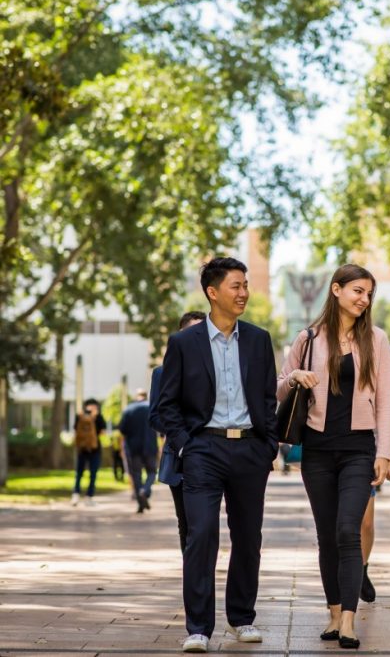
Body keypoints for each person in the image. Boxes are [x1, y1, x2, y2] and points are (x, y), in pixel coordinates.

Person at [159, 257, 278, 654]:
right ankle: (198, 628)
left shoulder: (259, 340)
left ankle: (242, 618)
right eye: (236, 286)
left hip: (249, 449)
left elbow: (267, 397)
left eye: (246, 285)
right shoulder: (183, 344)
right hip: (202, 450)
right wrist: (184, 446)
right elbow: (165, 405)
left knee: (248, 537)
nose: (244, 293)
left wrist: (268, 445)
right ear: (213, 293)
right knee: (202, 533)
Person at [277, 264, 390, 650]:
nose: (364, 299)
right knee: (327, 535)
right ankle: (332, 613)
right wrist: (295, 378)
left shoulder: (376, 339)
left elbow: (384, 402)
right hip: (317, 452)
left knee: (348, 529)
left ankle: (348, 618)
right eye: (358, 291)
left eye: (368, 294)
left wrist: (384, 452)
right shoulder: (308, 339)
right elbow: (278, 389)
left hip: (359, 450)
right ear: (336, 290)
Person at [148, 310, 205, 553]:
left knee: (205, 523)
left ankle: (204, 572)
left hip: (213, 454)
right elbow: (154, 416)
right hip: (178, 455)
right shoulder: (162, 373)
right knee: (187, 522)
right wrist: (182, 435)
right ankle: (193, 576)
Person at [119, 388, 157, 513]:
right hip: (150, 446)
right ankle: (145, 491)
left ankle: (140, 504)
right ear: (146, 396)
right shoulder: (152, 407)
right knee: (152, 472)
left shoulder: (129, 409)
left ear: (136, 396)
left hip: (133, 448)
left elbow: (122, 430)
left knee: (136, 475)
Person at [71, 398, 107, 506]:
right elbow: (103, 432)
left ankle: (75, 494)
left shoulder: (80, 416)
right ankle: (89, 497)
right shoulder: (98, 417)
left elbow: (75, 430)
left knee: (79, 473)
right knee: (93, 473)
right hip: (94, 448)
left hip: (81, 448)